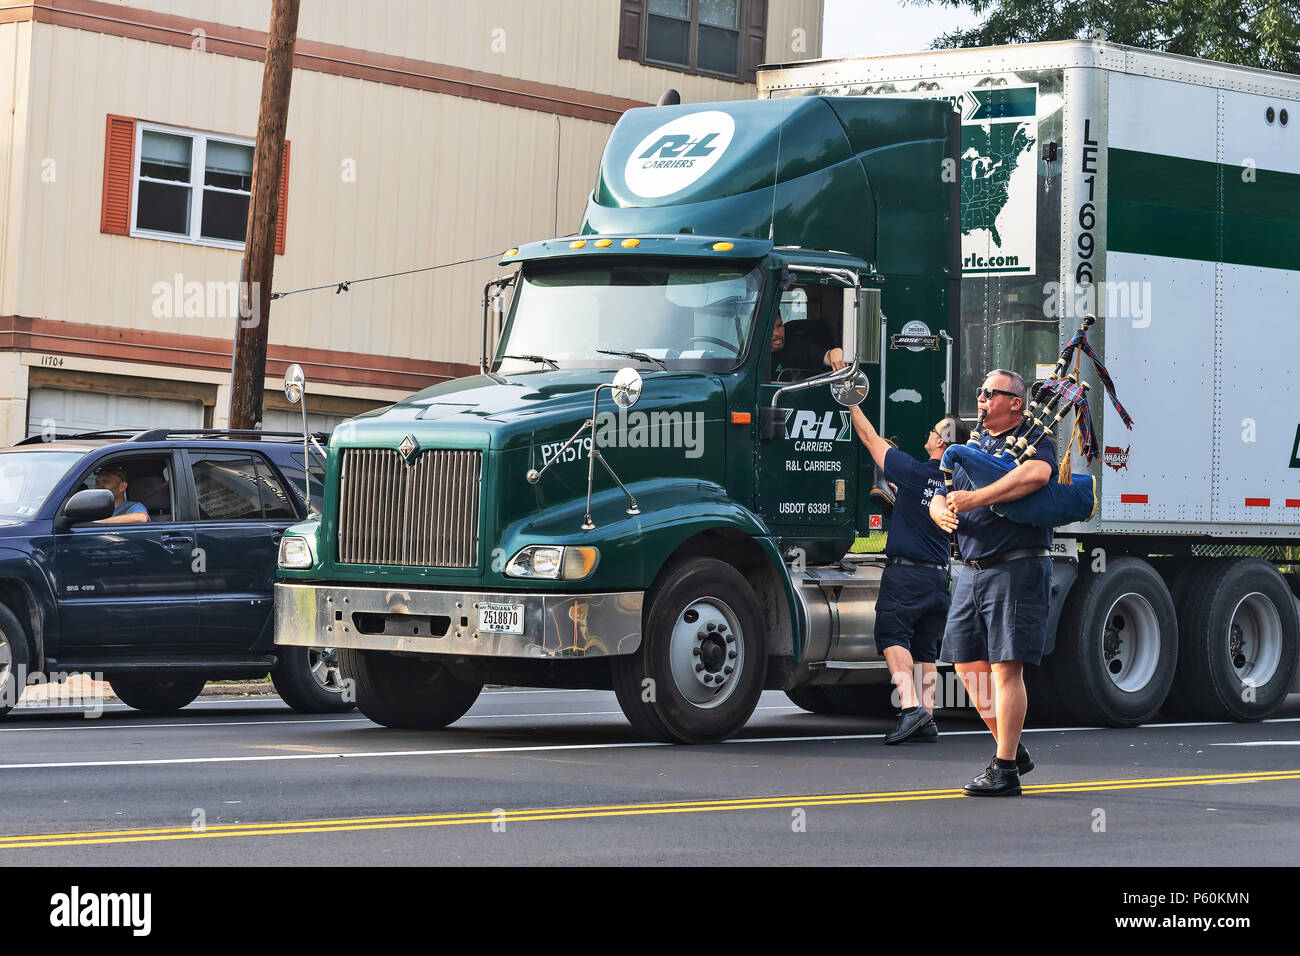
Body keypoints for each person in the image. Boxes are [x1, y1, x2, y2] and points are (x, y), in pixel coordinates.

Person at [929, 369, 1053, 796]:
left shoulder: (1034, 440)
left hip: (1015, 566)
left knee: (1006, 668)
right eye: (980, 392)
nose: (980, 399)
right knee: (965, 663)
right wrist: (939, 509)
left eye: (989, 393)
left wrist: (977, 498)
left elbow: (1036, 476)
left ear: (1014, 402)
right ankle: (1013, 748)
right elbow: (941, 489)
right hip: (972, 567)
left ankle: (1005, 770)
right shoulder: (975, 445)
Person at [852, 404, 969, 744]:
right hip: (937, 578)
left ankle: (910, 709)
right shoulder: (957, 485)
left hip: (905, 576)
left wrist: (852, 401)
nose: (929, 435)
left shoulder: (915, 472)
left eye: (935, 431)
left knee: (892, 636)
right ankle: (927, 718)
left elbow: (868, 437)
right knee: (924, 651)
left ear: (942, 444)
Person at [768, 313, 844, 380]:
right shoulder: (756, 352)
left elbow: (823, 356)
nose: (777, 333)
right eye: (771, 328)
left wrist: (833, 354)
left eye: (779, 326)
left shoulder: (795, 346)